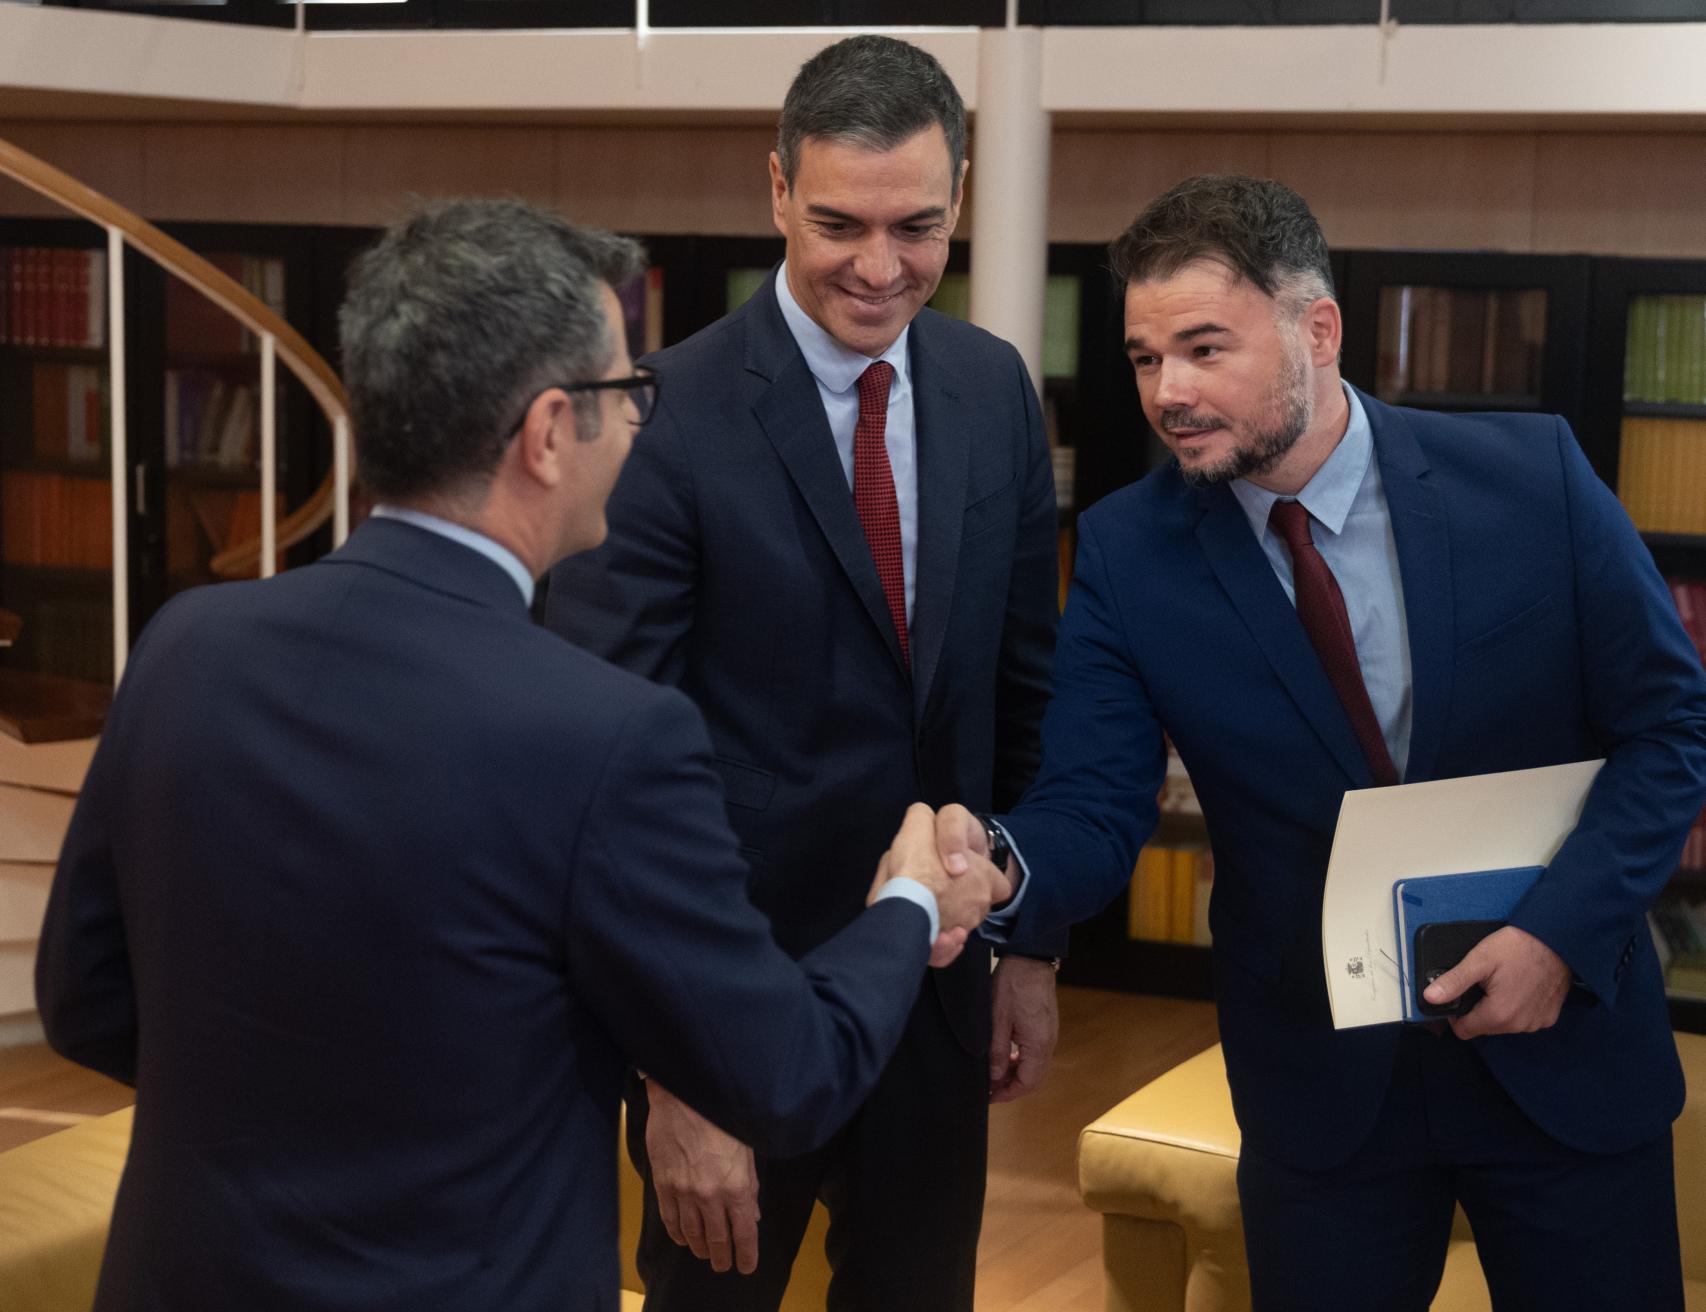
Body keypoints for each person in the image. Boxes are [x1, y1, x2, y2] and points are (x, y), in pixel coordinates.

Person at [33, 197, 1009, 1312]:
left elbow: (86, 1000)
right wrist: (907, 904)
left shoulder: (184, 647)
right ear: (548, 433)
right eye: (622, 395)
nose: (641, 425)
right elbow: (788, 1075)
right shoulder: (603, 735)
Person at [973, 175, 1706, 1310]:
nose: (1167, 392)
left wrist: (1556, 936)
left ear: (1316, 328)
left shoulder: (1532, 478)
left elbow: (1669, 727)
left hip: (1562, 1046)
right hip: (1321, 1092)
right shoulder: (1127, 550)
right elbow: (1092, 799)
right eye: (1142, 357)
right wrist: (1004, 869)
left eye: (1204, 348)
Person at [544, 33, 1062, 1312]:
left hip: (937, 993)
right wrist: (669, 1080)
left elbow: (1024, 692)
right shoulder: (661, 419)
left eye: (918, 227)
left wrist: (1029, 947)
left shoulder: (993, 389)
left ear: (958, 200)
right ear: (774, 189)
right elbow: (595, 777)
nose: (880, 268)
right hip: (730, 1011)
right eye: (838, 222)